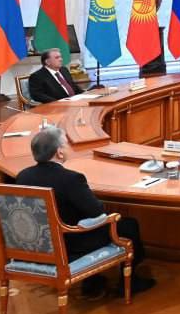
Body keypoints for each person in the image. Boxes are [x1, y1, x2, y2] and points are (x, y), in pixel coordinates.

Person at [16, 125, 154, 297]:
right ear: (59, 152)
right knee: (128, 225)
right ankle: (130, 282)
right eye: (66, 144)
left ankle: (93, 281)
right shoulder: (71, 179)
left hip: (38, 243)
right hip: (72, 243)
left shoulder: (22, 176)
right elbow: (98, 212)